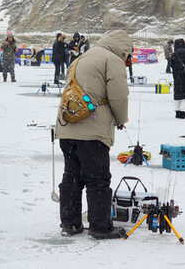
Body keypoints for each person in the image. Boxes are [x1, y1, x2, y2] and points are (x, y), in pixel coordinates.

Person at [55, 29, 131, 240]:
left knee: (72, 177)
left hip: (67, 126)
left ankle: (70, 224)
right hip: (93, 129)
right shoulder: (113, 60)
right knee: (98, 179)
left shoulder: (81, 57)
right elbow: (119, 96)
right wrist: (121, 119)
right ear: (123, 48)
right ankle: (100, 226)